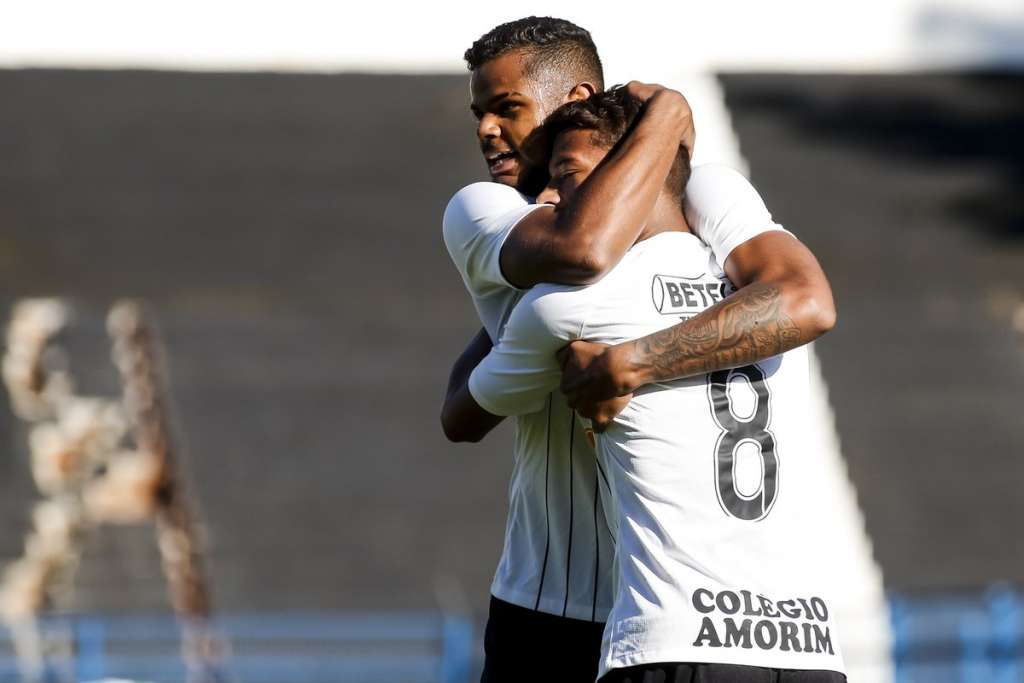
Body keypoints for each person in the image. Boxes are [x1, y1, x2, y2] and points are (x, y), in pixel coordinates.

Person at [441, 16, 834, 682]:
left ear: (574, 100)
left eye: (506, 108)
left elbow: (806, 299)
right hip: (554, 601)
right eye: (480, 113)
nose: (484, 128)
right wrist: (669, 113)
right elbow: (583, 248)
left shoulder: (702, 187)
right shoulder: (484, 208)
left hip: (676, 610)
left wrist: (633, 361)